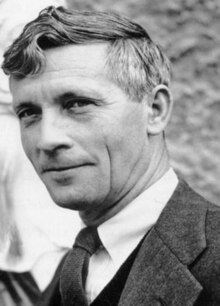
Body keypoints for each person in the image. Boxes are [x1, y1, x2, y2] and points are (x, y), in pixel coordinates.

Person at [2, 6, 220, 306]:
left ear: (154, 110)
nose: (47, 139)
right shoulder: (69, 272)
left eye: (77, 103)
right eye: (28, 113)